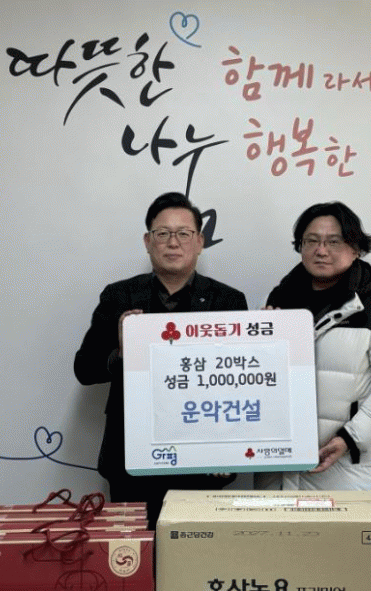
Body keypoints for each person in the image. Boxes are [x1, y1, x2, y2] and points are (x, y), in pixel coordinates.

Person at [74, 192, 248, 528]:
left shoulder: (227, 301)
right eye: (163, 233)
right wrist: (121, 354)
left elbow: (238, 385)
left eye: (184, 233)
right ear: (147, 241)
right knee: (133, 554)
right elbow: (84, 369)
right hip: (131, 458)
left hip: (203, 459)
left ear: (199, 242)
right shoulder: (119, 296)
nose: (173, 242)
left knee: (195, 553)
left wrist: (229, 452)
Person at [254, 202, 371, 503]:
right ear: (300, 246)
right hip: (278, 475)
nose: (321, 250)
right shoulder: (277, 301)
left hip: (347, 476)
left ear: (356, 248)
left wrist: (349, 439)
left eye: (334, 241)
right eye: (311, 241)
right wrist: (260, 345)